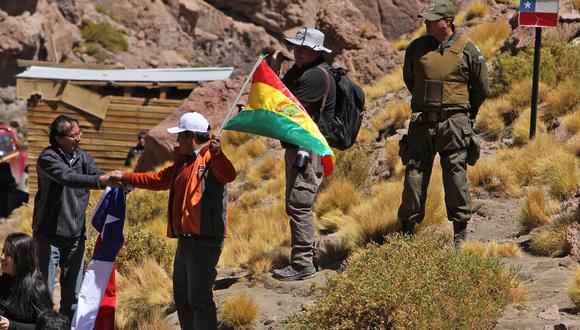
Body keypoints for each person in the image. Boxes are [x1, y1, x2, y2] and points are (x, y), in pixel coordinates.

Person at [110, 112, 236, 330]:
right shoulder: (183, 161)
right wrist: (126, 177)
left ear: (191, 137)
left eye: (181, 136)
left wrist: (217, 155)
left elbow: (228, 175)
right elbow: (158, 179)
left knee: (198, 299)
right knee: (183, 299)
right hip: (186, 241)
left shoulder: (211, 158)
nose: (177, 141)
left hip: (205, 241)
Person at [397, 0, 489, 245]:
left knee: (455, 178)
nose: (426, 22)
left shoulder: (468, 50)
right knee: (414, 176)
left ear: (447, 22)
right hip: (421, 125)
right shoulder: (416, 49)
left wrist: (464, 116)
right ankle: (406, 235)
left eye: (432, 19)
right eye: (426, 18)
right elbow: (410, 81)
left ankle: (459, 236)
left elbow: (481, 89)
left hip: (454, 125)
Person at [32, 115, 118, 320]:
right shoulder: (48, 158)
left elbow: (96, 173)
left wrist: (115, 182)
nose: (79, 138)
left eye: (80, 133)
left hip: (76, 236)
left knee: (73, 295)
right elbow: (68, 178)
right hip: (48, 235)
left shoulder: (83, 157)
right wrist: (101, 180)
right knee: (44, 293)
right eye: (74, 135)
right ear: (59, 138)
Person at [268, 27, 337, 281]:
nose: (296, 52)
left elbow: (281, 106)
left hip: (308, 149)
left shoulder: (314, 77)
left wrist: (274, 72)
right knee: (298, 203)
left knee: (299, 203)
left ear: (315, 51)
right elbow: (277, 93)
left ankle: (302, 264)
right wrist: (276, 69)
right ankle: (307, 255)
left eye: (303, 48)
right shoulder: (301, 72)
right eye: (295, 47)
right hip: (299, 147)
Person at [0, 232, 54, 330]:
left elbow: (48, 326)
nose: (2, 257)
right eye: (3, 251)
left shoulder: (36, 289)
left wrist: (12, 326)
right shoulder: (4, 281)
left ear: (21, 258)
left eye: (8, 254)